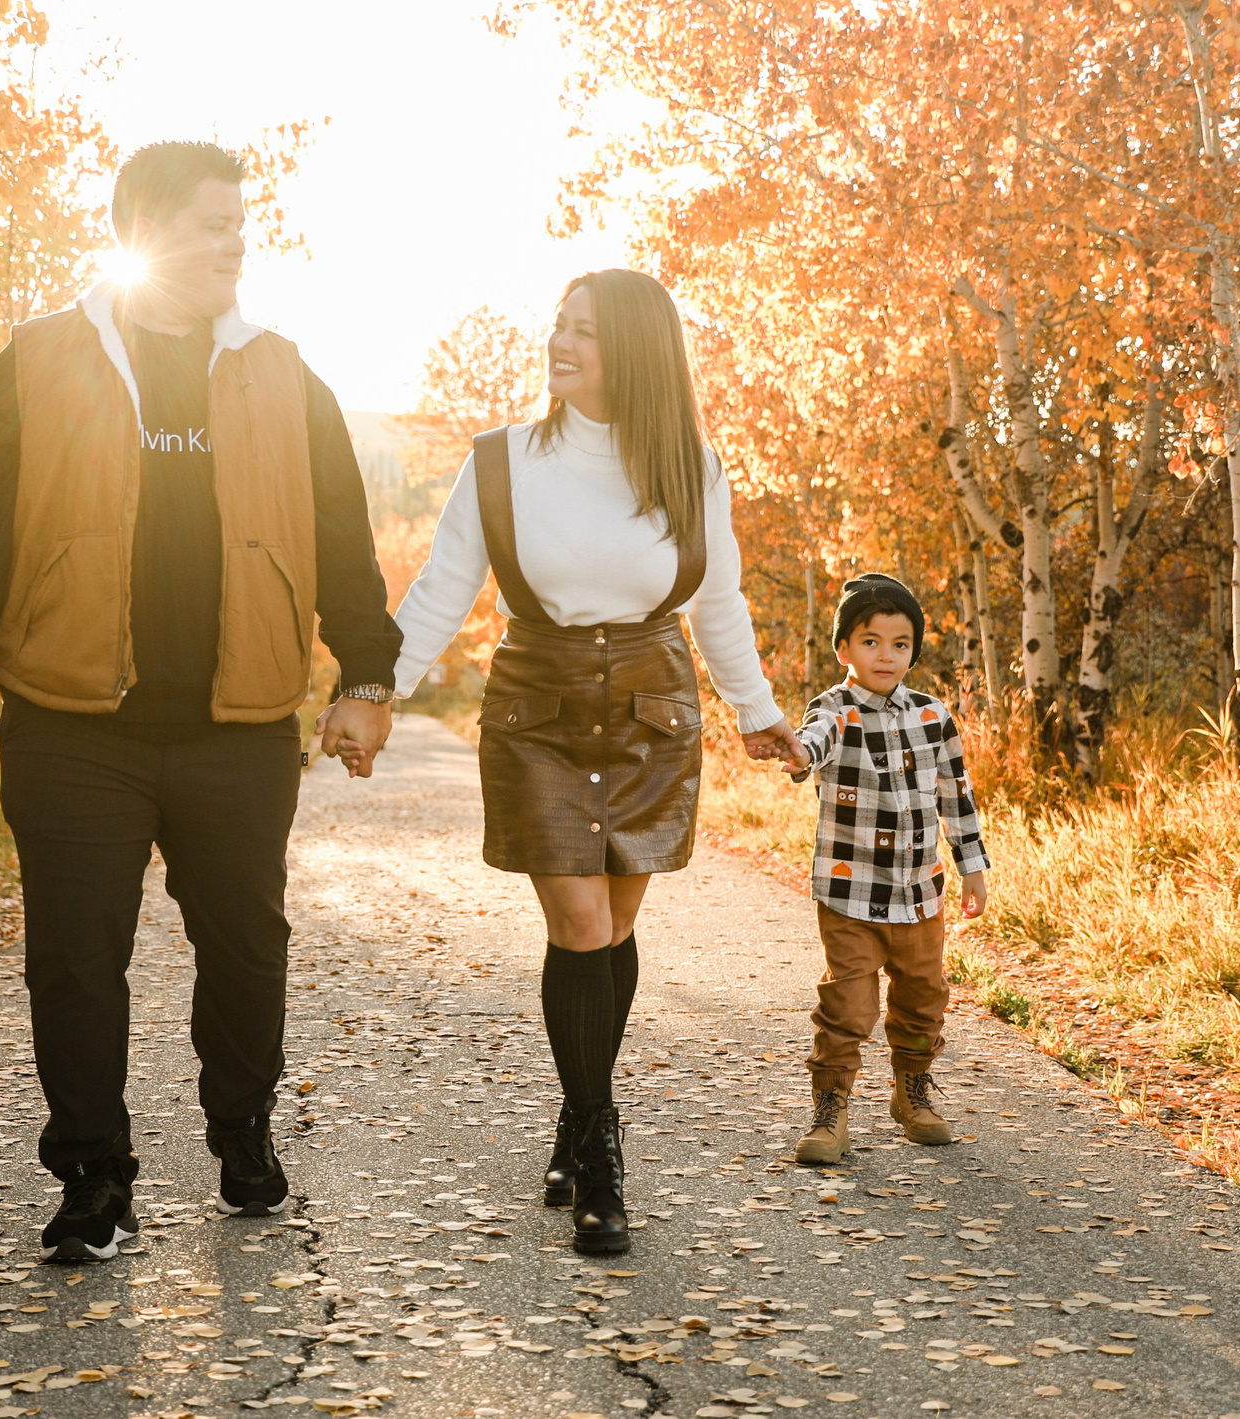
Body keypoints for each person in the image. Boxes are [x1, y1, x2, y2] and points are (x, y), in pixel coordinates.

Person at [0, 141, 400, 1263]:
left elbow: (339, 537)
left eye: (240, 222)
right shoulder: (37, 362)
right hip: (74, 727)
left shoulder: (282, 370)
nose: (238, 243)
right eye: (217, 223)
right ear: (150, 229)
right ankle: (92, 1175)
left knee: (245, 949)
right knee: (74, 959)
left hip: (237, 727)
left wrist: (364, 676)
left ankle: (242, 1131)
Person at [381, 269, 803, 1255]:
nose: (560, 344)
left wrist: (757, 713)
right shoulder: (501, 464)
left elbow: (719, 606)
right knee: (577, 922)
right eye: (558, 327)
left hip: (652, 711)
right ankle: (602, 1147)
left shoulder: (690, 469)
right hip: (540, 708)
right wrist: (377, 695)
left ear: (638, 355)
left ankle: (577, 1115)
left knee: (609, 922)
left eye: (586, 333)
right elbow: (441, 590)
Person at [783, 573, 992, 1162]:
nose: (886, 654)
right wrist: (797, 753)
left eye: (900, 643)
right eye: (870, 641)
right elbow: (813, 742)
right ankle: (831, 1109)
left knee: (924, 998)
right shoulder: (834, 710)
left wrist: (972, 864)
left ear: (913, 652)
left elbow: (956, 792)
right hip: (851, 892)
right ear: (844, 649)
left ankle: (912, 1090)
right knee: (848, 1005)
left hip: (920, 892)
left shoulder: (933, 716)